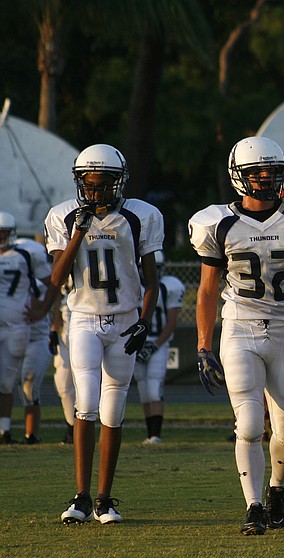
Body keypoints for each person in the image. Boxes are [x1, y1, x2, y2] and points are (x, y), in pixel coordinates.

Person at [191, 136, 284, 536]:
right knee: (250, 423)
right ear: (240, 177)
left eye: (272, 172)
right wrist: (204, 344)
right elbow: (206, 289)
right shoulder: (219, 223)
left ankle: (276, 489)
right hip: (240, 326)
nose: (267, 179)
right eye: (258, 173)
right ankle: (253, 506)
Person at [45, 144, 164, 524]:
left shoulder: (140, 215)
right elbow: (55, 278)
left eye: (103, 185)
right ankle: (80, 497)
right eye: (89, 185)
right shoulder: (64, 216)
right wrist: (79, 231)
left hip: (125, 318)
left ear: (119, 183)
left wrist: (144, 321)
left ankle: (104, 499)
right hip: (82, 318)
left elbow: (151, 282)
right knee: (86, 402)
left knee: (113, 409)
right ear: (79, 184)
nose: (96, 192)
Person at [0, 213, 50, 444]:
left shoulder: (26, 258)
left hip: (27, 333)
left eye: (4, 233)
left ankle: (31, 434)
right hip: (13, 329)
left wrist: (44, 313)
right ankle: (5, 430)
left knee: (25, 383)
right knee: (6, 381)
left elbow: (52, 286)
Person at [133, 250, 185, 445]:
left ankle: (156, 435)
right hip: (137, 343)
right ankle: (150, 435)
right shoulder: (131, 286)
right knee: (144, 390)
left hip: (158, 343)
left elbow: (171, 322)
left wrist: (154, 346)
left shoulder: (168, 287)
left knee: (154, 388)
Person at [14, 236, 55, 444]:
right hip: (12, 337)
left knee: (29, 385)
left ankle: (32, 435)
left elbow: (48, 298)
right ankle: (5, 430)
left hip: (36, 338)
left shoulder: (39, 283)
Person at [50, 277, 77, 444]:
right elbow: (60, 299)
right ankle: (72, 428)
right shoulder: (66, 263)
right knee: (62, 384)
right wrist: (54, 328)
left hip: (93, 327)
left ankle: (108, 426)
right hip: (67, 332)